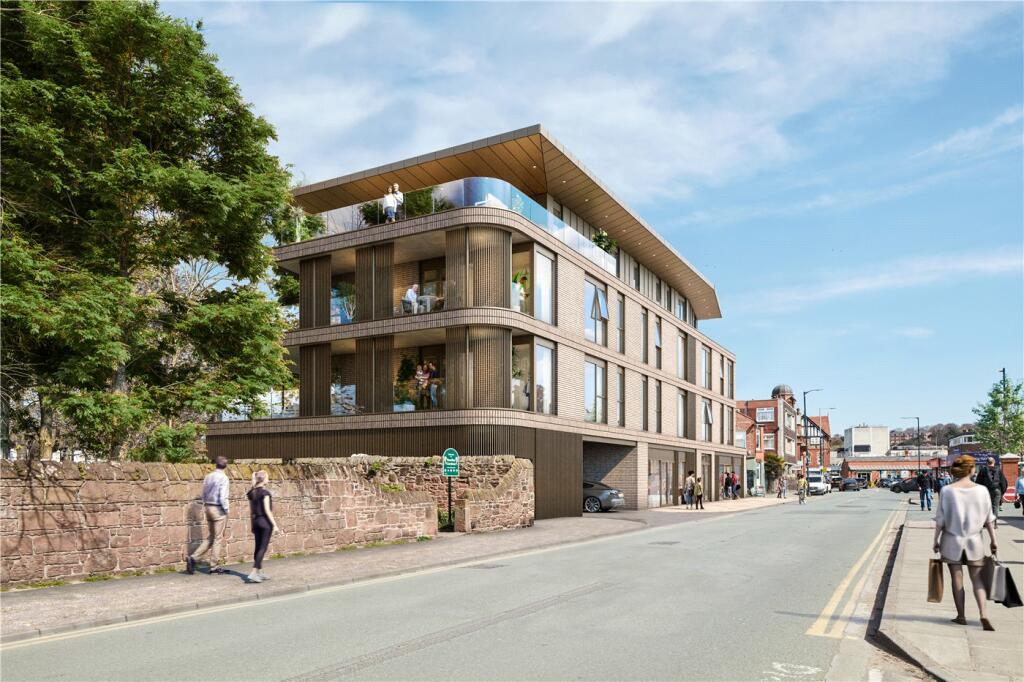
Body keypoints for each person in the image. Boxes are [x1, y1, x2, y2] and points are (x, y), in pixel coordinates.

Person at [933, 455, 998, 631]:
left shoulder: (947, 491)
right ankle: (983, 614)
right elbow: (989, 519)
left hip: (951, 541)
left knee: (957, 579)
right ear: (970, 470)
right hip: (975, 541)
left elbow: (940, 519)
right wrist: (993, 541)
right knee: (978, 580)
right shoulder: (982, 490)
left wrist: (935, 540)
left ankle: (961, 616)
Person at [186, 456, 230, 575]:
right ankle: (214, 566)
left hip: (208, 507)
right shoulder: (224, 478)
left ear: (215, 464)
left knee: (212, 536)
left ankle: (193, 558)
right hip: (218, 509)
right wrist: (226, 510)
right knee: (218, 538)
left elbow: (204, 493)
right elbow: (222, 497)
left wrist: (206, 505)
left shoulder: (208, 476)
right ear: (225, 465)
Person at [245, 470, 279, 583]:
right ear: (263, 480)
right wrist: (274, 525)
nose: (268, 479)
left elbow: (251, 511)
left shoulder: (252, 493)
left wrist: (252, 525)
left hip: (255, 521)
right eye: (267, 477)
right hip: (264, 522)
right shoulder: (265, 493)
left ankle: (260, 571)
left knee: (258, 547)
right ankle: (254, 572)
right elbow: (267, 510)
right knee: (262, 548)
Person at [975, 457, 1007, 527]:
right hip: (997, 490)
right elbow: (1004, 482)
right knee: (995, 507)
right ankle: (994, 523)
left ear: (986, 462)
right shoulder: (998, 470)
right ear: (994, 462)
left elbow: (978, 482)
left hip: (985, 491)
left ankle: (986, 523)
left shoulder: (983, 470)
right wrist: (1002, 492)